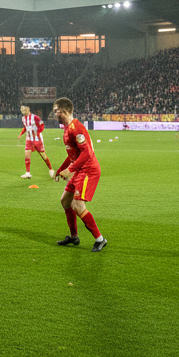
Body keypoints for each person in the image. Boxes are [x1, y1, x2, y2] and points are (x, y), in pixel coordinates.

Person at [52, 97, 107, 252]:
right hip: (78, 170)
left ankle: (100, 239)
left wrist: (69, 169)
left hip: (88, 170)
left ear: (63, 110)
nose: (55, 114)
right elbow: (72, 155)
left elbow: (87, 153)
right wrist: (61, 169)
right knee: (65, 202)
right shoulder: (66, 129)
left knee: (78, 205)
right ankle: (74, 236)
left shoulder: (77, 128)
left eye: (56, 111)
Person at [17, 104, 55, 179]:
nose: (23, 111)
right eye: (22, 109)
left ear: (28, 109)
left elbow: (42, 125)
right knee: (27, 154)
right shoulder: (23, 118)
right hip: (29, 139)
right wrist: (21, 134)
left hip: (37, 139)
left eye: (24, 109)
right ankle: (28, 173)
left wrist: (38, 132)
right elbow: (25, 127)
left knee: (43, 155)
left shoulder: (35, 117)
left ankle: (51, 169)